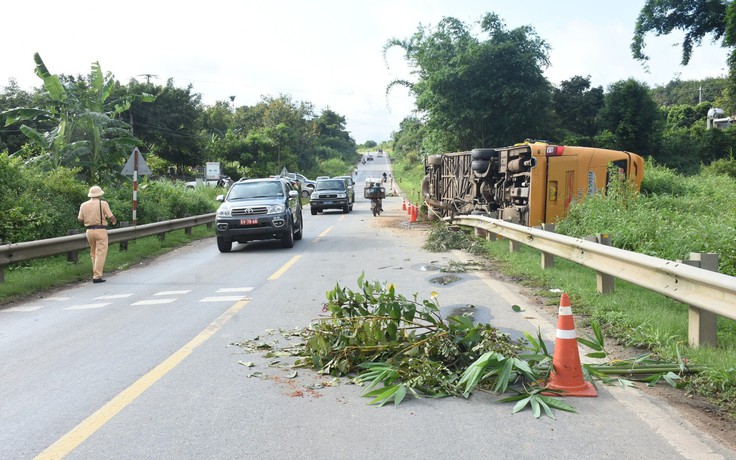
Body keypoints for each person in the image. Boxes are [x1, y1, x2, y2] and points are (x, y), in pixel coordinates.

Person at [78, 185, 117, 283]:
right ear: (99, 194)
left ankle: (95, 273)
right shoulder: (103, 203)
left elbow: (80, 219)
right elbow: (111, 216)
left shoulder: (83, 205)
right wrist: (113, 221)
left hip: (89, 231)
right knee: (101, 253)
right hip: (100, 230)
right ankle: (97, 276)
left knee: (93, 252)